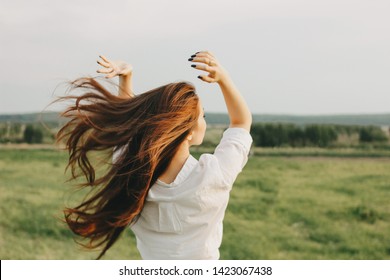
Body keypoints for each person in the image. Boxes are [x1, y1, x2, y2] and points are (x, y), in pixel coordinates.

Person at [57, 51, 253, 259]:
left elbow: (126, 130)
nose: (204, 120)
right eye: (202, 116)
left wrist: (126, 78)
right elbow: (241, 122)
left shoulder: (131, 177)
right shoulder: (214, 175)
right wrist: (224, 78)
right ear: (187, 132)